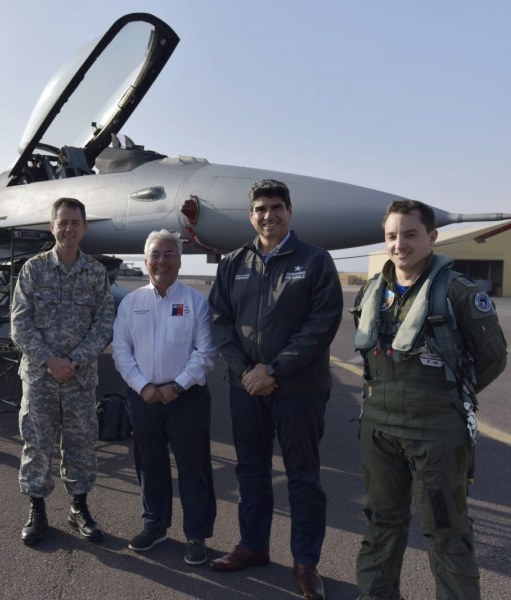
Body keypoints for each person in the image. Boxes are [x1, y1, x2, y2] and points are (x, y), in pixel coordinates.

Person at [352, 200, 507, 600]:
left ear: (432, 237)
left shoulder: (458, 292)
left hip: (436, 433)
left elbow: (493, 357)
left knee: (448, 533)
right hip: (380, 430)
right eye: (391, 236)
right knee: (381, 525)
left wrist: (446, 396)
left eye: (410, 234)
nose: (399, 244)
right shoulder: (372, 291)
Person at [207, 179, 342, 600]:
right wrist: (247, 370)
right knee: (251, 470)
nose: (269, 215)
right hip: (245, 387)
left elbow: (322, 324)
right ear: (251, 215)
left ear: (289, 211)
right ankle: (253, 546)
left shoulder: (315, 261)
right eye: (261, 208)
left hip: (300, 389)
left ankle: (306, 562)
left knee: (302, 477)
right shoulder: (232, 262)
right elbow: (219, 321)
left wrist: (274, 369)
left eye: (277, 207)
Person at [10, 197, 115, 546]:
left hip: (79, 379)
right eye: (62, 222)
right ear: (52, 226)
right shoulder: (33, 269)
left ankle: (78, 508)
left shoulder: (96, 273)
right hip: (40, 378)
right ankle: (37, 510)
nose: (69, 229)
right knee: (37, 444)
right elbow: (19, 324)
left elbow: (103, 325)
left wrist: (75, 361)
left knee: (81, 445)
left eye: (75, 223)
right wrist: (49, 361)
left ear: (84, 228)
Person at [111, 230, 218, 565]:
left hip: (186, 398)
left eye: (169, 253)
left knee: (193, 467)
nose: (162, 261)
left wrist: (179, 386)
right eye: (155, 255)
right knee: (150, 465)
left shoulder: (195, 301)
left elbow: (206, 352)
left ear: (180, 260)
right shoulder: (131, 303)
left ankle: (197, 534)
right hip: (143, 397)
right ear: (145, 262)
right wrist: (143, 386)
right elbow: (120, 350)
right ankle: (155, 525)